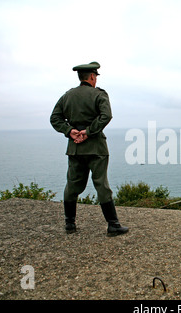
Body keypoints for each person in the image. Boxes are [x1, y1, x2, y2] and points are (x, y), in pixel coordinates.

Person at [50, 61, 129, 237]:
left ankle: (69, 224)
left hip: (75, 148)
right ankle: (113, 225)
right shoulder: (99, 94)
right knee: (101, 184)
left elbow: (55, 118)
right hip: (96, 148)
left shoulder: (67, 96)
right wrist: (89, 131)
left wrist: (70, 131)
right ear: (92, 77)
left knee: (72, 185)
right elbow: (106, 116)